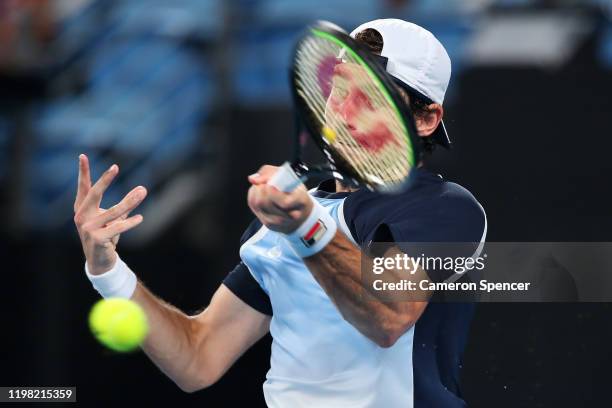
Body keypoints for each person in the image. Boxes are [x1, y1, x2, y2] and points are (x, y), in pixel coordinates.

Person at [74, 19, 486, 407]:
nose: (343, 111)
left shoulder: (446, 209)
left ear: (426, 119)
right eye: (339, 89)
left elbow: (388, 316)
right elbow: (197, 358)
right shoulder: (281, 221)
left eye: (373, 99)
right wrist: (109, 272)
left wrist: (304, 226)